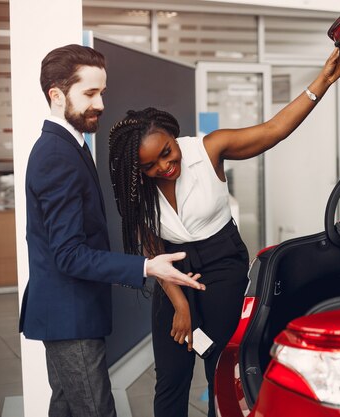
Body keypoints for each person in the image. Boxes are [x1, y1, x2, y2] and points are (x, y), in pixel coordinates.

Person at [107, 47, 340, 417]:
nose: (165, 166)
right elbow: (154, 251)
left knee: (219, 369)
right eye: (150, 165)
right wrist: (181, 305)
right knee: (170, 376)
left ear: (173, 135)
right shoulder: (137, 187)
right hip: (172, 269)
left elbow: (273, 130)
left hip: (222, 263)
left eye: (167, 153)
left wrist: (323, 82)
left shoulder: (208, 149)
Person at [19, 44, 205, 417]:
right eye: (89, 93)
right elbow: (69, 254)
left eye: (101, 92)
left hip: (67, 312)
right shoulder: (56, 154)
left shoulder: (70, 145)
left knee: (67, 407)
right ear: (56, 95)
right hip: (68, 317)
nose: (101, 104)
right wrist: (148, 267)